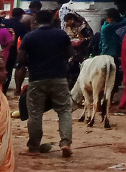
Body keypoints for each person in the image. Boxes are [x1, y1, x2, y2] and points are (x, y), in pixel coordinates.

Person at [18, 9, 73, 157]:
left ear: (36, 21)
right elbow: (70, 53)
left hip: (37, 78)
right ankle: (65, 143)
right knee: (64, 110)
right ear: (52, 20)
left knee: (35, 113)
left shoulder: (30, 37)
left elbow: (21, 59)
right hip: (59, 77)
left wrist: (32, 62)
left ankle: (34, 146)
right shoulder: (61, 34)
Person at [63, 12, 93, 87]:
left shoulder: (84, 27)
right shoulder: (67, 27)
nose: (67, 23)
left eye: (68, 21)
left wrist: (82, 40)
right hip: (71, 49)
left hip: (83, 49)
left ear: (72, 20)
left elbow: (90, 38)